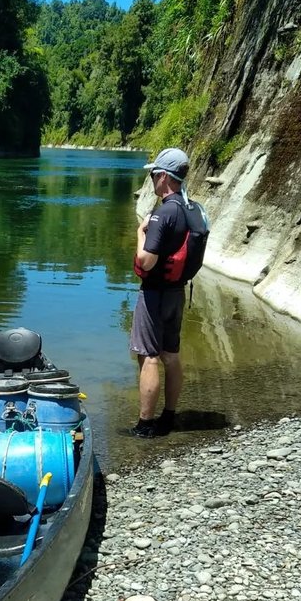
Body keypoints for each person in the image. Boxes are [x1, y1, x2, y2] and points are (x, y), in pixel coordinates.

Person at [129, 147, 191, 438]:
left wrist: (140, 234)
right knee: (171, 356)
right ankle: (169, 415)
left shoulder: (163, 212)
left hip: (155, 294)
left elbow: (146, 261)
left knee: (149, 357)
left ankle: (145, 425)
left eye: (154, 174)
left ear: (164, 177)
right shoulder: (189, 208)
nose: (152, 180)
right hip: (178, 293)